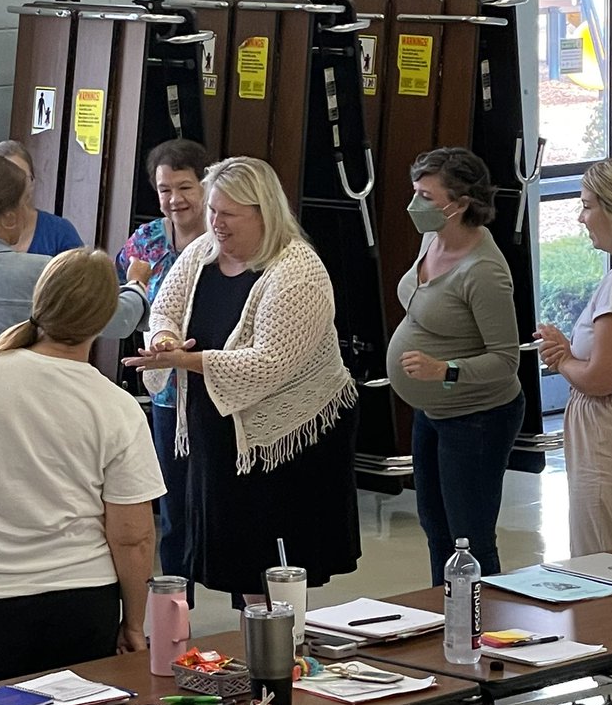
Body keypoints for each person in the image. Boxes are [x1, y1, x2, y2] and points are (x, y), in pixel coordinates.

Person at [0, 149, 150, 699]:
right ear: (15, 216)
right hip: (77, 591)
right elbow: (133, 532)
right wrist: (135, 282)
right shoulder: (111, 404)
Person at [128, 156, 360, 603]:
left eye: (229, 214)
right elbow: (165, 309)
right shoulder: (203, 251)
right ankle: (255, 636)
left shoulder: (298, 270)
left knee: (274, 567)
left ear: (263, 213)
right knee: (240, 564)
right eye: (213, 210)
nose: (216, 223)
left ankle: (280, 640)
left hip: (286, 437)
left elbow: (269, 363)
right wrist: (163, 339)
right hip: (221, 430)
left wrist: (187, 361)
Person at [387, 147, 523, 586]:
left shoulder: (484, 272)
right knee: (436, 529)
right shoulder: (433, 238)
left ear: (461, 203)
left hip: (477, 418)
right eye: (415, 192)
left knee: (469, 539)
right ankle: (446, 613)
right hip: (433, 411)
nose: (415, 204)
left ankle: (484, 618)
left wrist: (444, 370)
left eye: (426, 197)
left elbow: (506, 360)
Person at [0, 149, 149, 390]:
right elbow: (119, 320)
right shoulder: (40, 271)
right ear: (10, 218)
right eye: (24, 202)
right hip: (29, 409)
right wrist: (136, 284)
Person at [114, 139, 209, 604]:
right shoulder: (146, 242)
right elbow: (127, 309)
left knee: (223, 500)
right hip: (169, 393)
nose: (175, 200)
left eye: (185, 187)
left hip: (221, 383)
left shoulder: (226, 233)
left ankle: (248, 603)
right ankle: (177, 607)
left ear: (206, 185)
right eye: (164, 189)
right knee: (173, 506)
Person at [536, 157, 612, 557]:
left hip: (607, 432)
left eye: (587, 206)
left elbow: (602, 377)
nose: (581, 218)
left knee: (602, 556)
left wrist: (562, 359)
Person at [0, 139, 83, 255]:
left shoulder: (60, 232)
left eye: (21, 177)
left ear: (32, 182)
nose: (14, 186)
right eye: (5, 178)